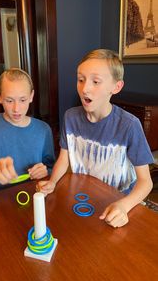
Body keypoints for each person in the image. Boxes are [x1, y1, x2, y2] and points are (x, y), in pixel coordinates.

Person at [37, 49, 154, 228]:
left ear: (116, 87)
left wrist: (124, 206)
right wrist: (52, 182)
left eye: (96, 81)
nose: (85, 88)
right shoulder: (70, 117)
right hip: (83, 198)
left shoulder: (130, 125)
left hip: (118, 202)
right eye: (80, 79)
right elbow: (64, 158)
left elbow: (146, 182)